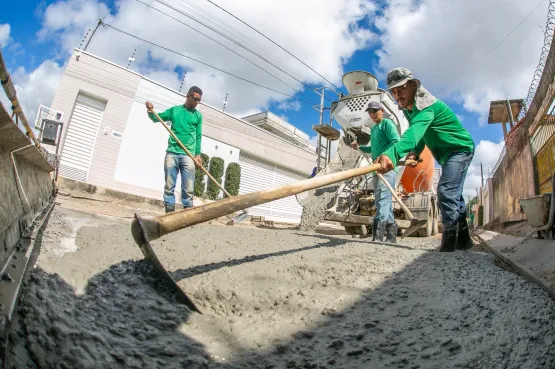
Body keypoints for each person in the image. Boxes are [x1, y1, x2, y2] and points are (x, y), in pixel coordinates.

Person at [375, 67, 475, 252]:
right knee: (455, 197)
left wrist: (391, 154)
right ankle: (464, 241)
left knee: (445, 191)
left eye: (402, 89)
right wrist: (415, 152)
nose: (398, 95)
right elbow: (420, 136)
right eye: (394, 92)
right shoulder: (409, 109)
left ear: (414, 85)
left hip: (459, 149)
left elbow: (413, 133)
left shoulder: (426, 106)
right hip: (446, 154)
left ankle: (448, 246)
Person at [145, 86, 203, 213]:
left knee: (188, 187)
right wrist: (150, 111)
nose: (197, 102)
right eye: (195, 99)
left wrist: (198, 154)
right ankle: (169, 213)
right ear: (188, 96)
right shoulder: (175, 111)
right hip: (172, 153)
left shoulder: (198, 116)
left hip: (189, 155)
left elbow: (198, 136)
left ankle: (187, 213)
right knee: (169, 185)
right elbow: (157, 118)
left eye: (199, 100)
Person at [351, 101, 400, 243]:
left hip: (387, 168)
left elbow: (396, 141)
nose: (372, 114)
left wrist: (384, 155)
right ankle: (391, 236)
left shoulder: (387, 124)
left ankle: (378, 236)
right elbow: (374, 149)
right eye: (370, 112)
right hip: (376, 170)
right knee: (383, 201)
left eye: (375, 111)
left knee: (383, 199)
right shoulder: (374, 128)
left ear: (382, 110)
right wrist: (360, 147)